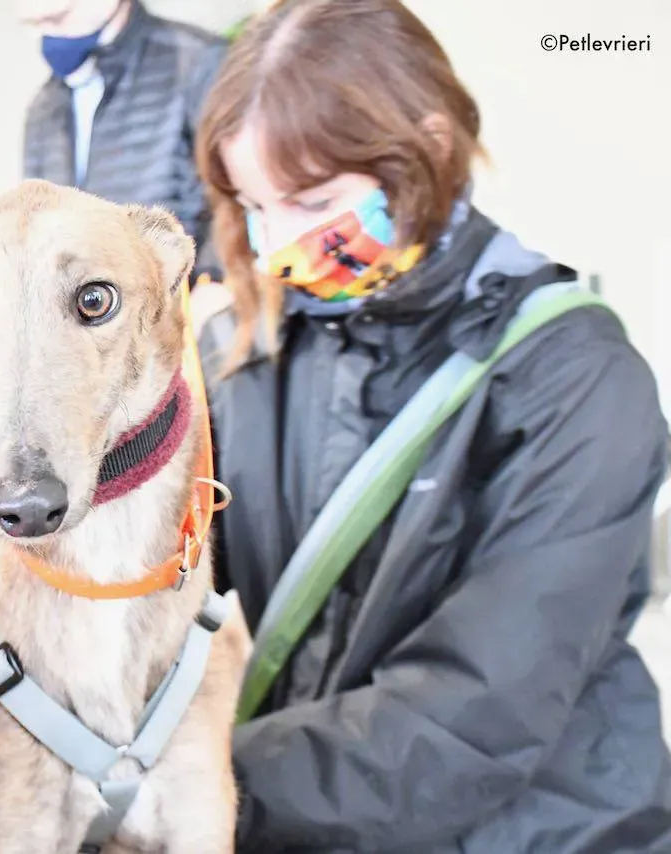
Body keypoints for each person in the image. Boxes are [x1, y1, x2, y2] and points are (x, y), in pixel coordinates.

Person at [193, 1, 671, 851]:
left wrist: (197, 786)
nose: (277, 248)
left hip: (543, 831)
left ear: (428, 149)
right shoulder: (247, 349)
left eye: (314, 201)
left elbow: (477, 712)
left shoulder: (574, 376)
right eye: (255, 207)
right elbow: (174, 570)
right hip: (318, 817)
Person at [19, 0, 227, 280]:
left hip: (188, 295)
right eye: (37, 25)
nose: (48, 34)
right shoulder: (43, 110)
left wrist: (215, 280)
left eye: (59, 18)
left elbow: (237, 200)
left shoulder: (197, 63)